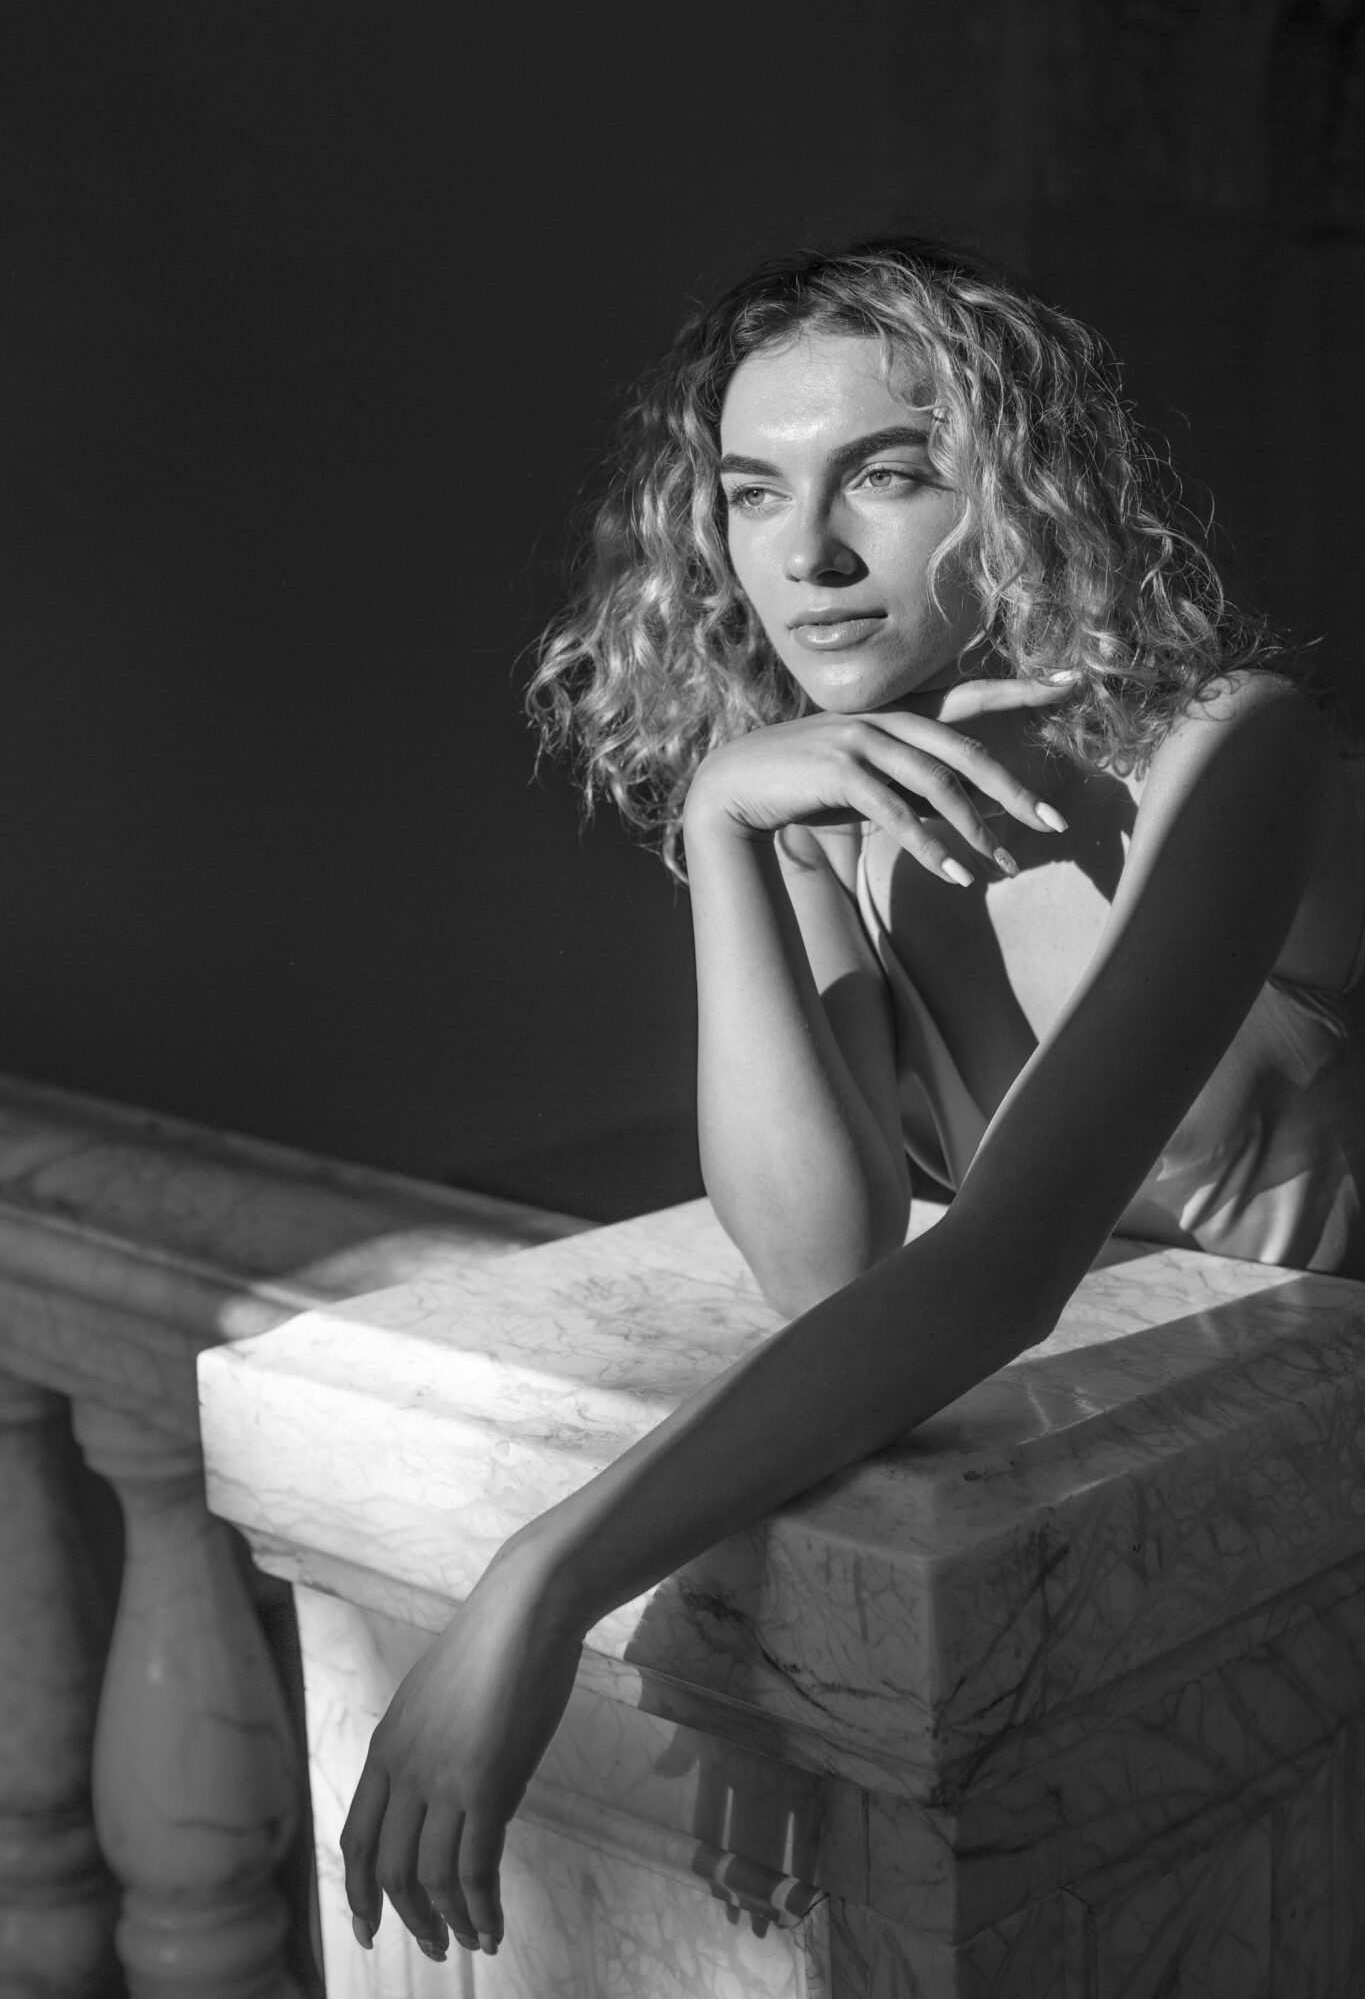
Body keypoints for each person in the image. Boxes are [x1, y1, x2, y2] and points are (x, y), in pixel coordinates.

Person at [340, 235, 1365, 1961]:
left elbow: (996, 1268)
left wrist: (542, 1580)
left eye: (886, 477)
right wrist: (724, 825)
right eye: (749, 494)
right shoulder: (821, 792)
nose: (801, 557)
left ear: (1027, 493)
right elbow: (823, 1258)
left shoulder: (1224, 750)